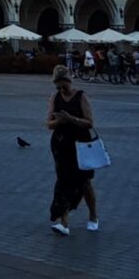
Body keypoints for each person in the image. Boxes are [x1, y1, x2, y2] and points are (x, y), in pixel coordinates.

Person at [46, 65, 99, 234]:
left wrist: (71, 119)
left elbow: (90, 122)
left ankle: (93, 215)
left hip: (81, 144)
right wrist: (58, 122)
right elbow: (48, 123)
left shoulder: (81, 96)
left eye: (64, 86)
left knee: (84, 183)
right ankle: (64, 222)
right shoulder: (55, 97)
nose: (62, 89)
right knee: (63, 182)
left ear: (70, 81)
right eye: (58, 86)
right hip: (61, 145)